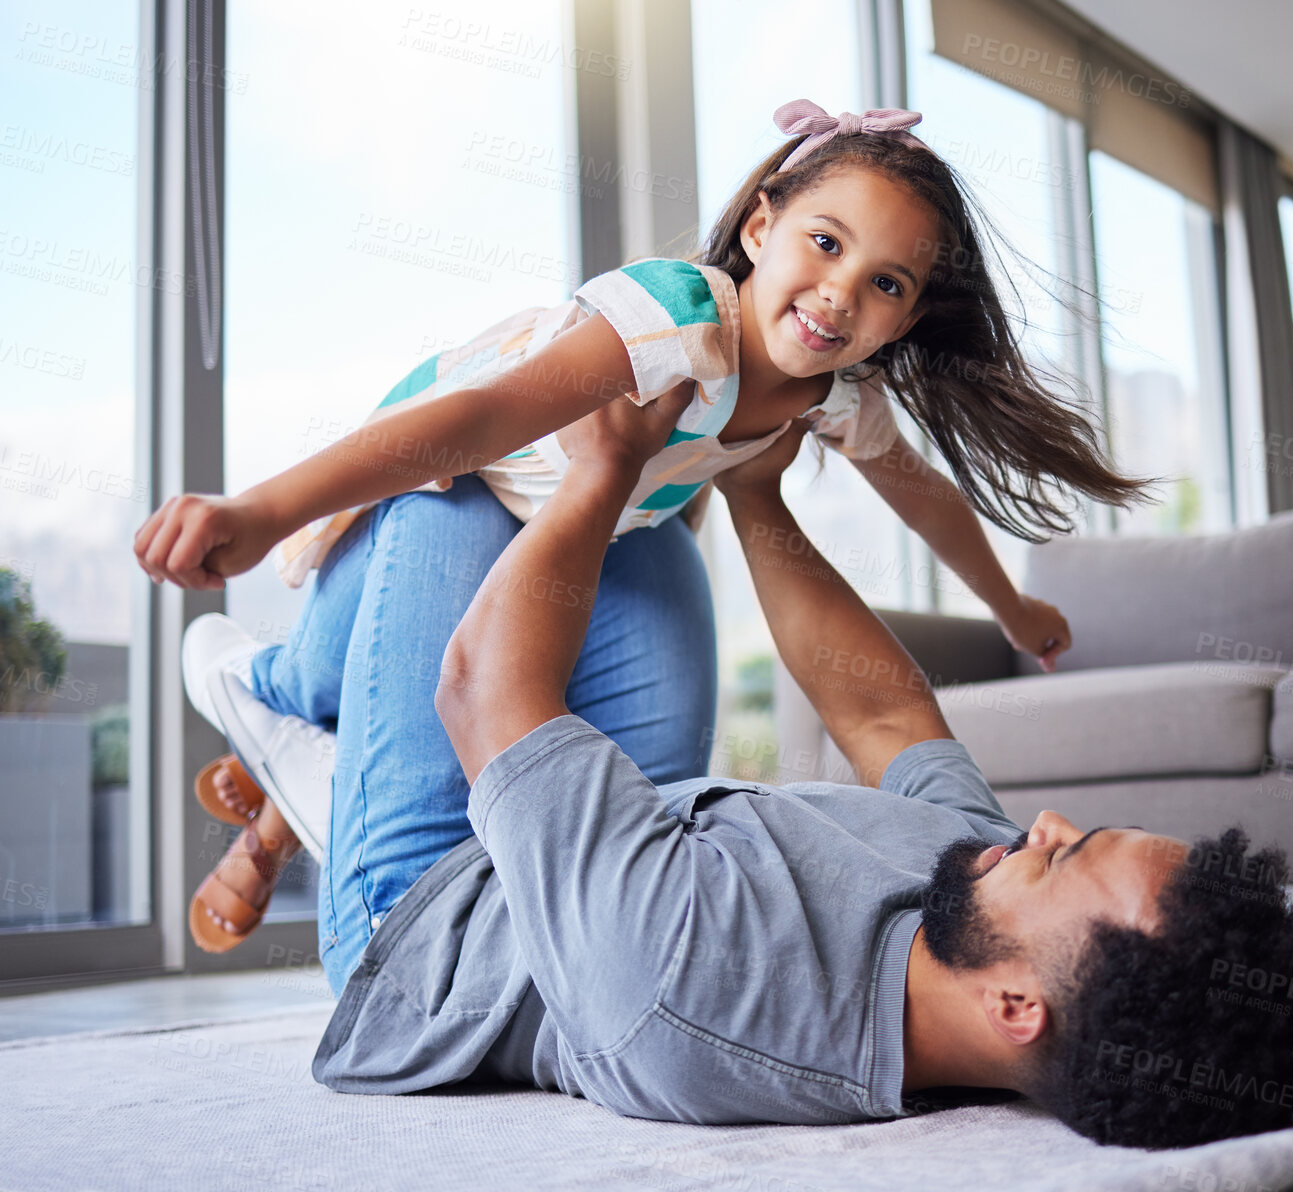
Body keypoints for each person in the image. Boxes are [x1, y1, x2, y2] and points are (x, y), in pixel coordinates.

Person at [134, 97, 1152, 949]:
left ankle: (277, 809)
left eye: (885, 283)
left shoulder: (834, 394)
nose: (840, 295)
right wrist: (260, 508)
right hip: (462, 480)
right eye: (825, 243)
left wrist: (1011, 603)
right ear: (761, 229)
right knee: (343, 689)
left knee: (652, 781)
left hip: (620, 522)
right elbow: (481, 419)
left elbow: (922, 495)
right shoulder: (672, 321)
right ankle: (259, 686)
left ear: (907, 315)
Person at [258, 380, 1293, 1150]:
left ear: (1019, 1008)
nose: (1045, 823)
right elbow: (881, 712)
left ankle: (272, 687)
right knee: (655, 537)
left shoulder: (696, 988)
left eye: (1066, 858)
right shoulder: (975, 902)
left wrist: (599, 467)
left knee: (461, 485)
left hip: (428, 909)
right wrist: (753, 492)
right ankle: (326, 696)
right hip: (627, 829)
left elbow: (483, 690)